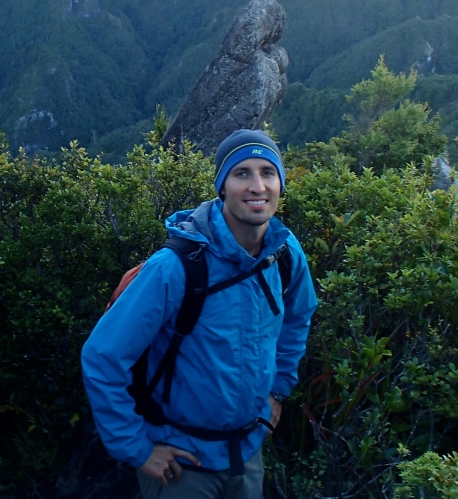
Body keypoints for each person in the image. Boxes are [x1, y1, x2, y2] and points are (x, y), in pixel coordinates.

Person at [82, 129, 318, 498]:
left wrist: (278, 390)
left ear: (280, 183)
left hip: (246, 451)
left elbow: (297, 316)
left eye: (267, 173)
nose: (257, 186)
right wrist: (137, 450)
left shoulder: (284, 254)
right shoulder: (176, 267)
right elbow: (103, 355)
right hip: (182, 460)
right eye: (242, 173)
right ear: (222, 186)